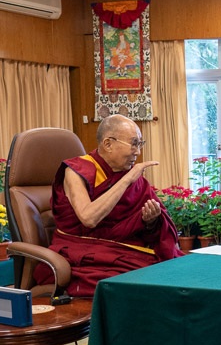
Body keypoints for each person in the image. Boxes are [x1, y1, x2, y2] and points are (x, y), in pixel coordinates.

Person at [33, 114, 183, 297]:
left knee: (174, 273)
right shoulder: (76, 171)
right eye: (134, 143)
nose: (137, 152)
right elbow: (89, 218)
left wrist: (149, 221)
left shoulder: (132, 178)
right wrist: (127, 179)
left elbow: (142, 229)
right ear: (108, 144)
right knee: (140, 285)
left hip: (123, 250)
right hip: (86, 254)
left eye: (140, 144)